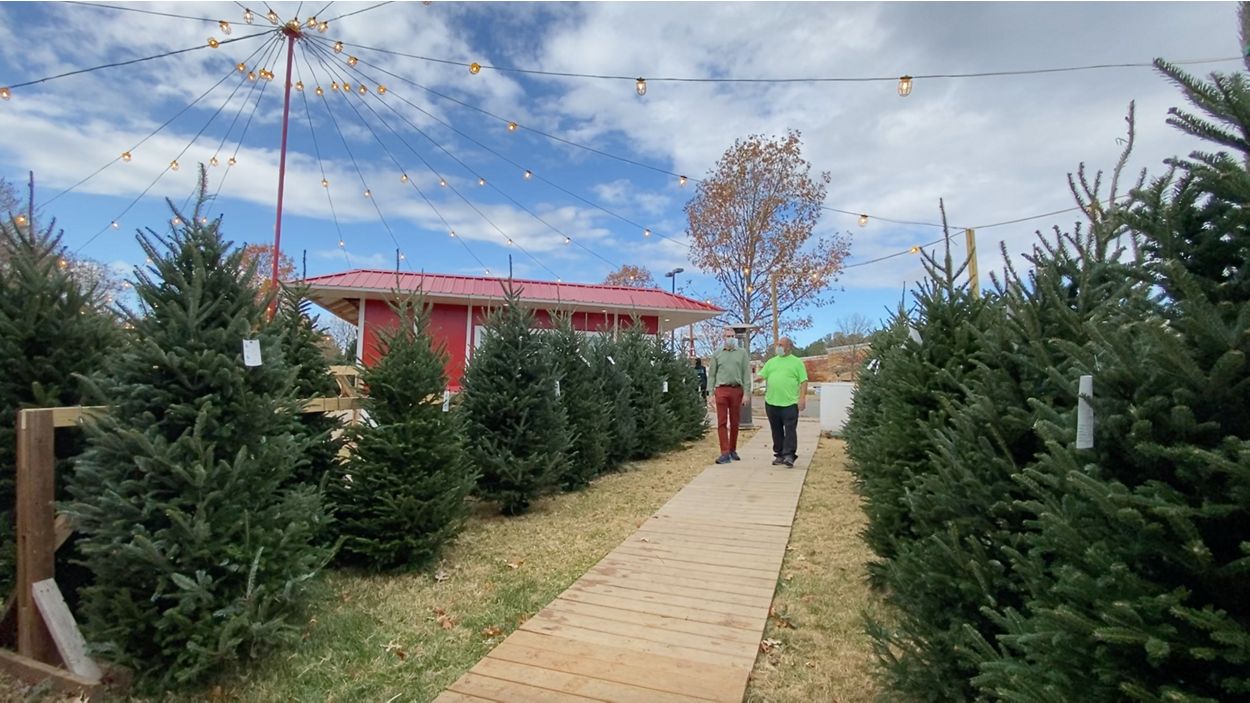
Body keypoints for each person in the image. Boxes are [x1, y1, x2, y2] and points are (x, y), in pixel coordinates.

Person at [756, 336, 808, 467]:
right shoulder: (771, 362)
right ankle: (779, 454)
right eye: (777, 345)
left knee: (790, 429)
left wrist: (802, 398)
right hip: (772, 402)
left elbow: (804, 381)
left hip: (790, 403)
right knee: (776, 430)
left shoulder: (797, 362)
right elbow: (762, 375)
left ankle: (789, 455)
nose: (778, 347)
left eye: (781, 345)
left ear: (789, 347)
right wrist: (757, 378)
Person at [707, 327, 751, 464]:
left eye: (732, 336)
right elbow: (712, 375)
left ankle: (732, 449)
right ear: (723, 338)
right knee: (722, 421)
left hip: (736, 389)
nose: (730, 338)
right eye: (728, 336)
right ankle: (724, 452)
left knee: (735, 421)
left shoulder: (742, 353)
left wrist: (747, 393)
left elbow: (746, 374)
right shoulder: (717, 354)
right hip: (721, 389)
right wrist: (710, 393)